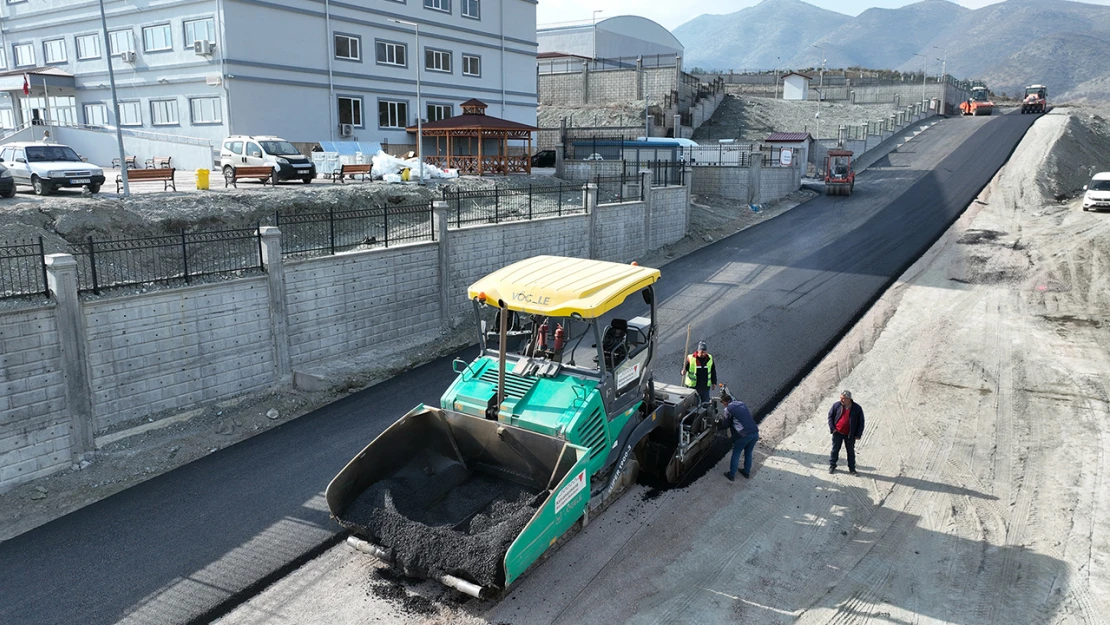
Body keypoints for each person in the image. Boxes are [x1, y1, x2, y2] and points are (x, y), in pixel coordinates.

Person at [721, 391, 758, 481]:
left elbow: (726, 424)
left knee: (736, 453)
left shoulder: (728, 409)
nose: (723, 405)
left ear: (725, 402)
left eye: (723, 403)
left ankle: (732, 474)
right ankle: (746, 472)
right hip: (755, 432)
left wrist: (720, 424)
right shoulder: (741, 403)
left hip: (744, 435)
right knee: (748, 452)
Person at [828, 390, 865, 474]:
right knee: (835, 450)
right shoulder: (836, 405)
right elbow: (830, 416)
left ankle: (852, 468)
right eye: (841, 398)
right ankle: (832, 465)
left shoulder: (857, 408)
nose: (841, 400)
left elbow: (861, 422)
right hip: (837, 433)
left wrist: (858, 434)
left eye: (843, 398)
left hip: (850, 435)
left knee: (850, 451)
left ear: (849, 399)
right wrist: (833, 428)